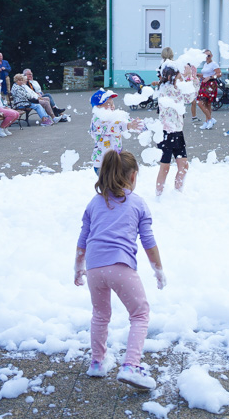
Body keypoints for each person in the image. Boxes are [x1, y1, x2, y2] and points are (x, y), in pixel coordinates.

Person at [74, 149, 165, 390]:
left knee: (100, 314)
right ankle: (131, 366)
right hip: (121, 266)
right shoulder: (138, 203)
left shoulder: (94, 203)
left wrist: (78, 267)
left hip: (94, 269)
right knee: (140, 313)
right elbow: (148, 242)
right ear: (133, 176)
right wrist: (158, 269)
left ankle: (96, 363)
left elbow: (83, 238)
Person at [155, 65, 199, 195]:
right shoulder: (165, 89)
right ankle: (158, 195)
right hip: (166, 133)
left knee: (184, 166)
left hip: (177, 132)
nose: (181, 80)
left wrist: (193, 79)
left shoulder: (176, 88)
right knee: (165, 167)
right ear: (170, 77)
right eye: (179, 78)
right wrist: (189, 80)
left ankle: (177, 193)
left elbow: (189, 98)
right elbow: (182, 95)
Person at [89, 89, 144, 175]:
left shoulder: (112, 117)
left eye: (112, 103)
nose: (112, 106)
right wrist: (128, 126)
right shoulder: (97, 120)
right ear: (98, 107)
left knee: (116, 185)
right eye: (108, 104)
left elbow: (124, 121)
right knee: (110, 186)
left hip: (115, 160)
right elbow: (111, 127)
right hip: (102, 163)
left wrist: (136, 125)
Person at [193, 49, 220, 130]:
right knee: (206, 104)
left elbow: (219, 74)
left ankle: (210, 119)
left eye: (208, 55)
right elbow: (205, 74)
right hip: (204, 84)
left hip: (211, 84)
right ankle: (208, 120)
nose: (207, 57)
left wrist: (210, 77)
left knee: (200, 103)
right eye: (205, 56)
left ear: (211, 56)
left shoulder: (214, 64)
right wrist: (198, 75)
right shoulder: (205, 64)